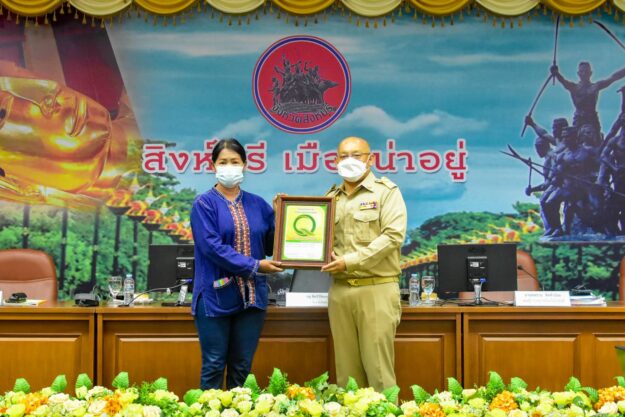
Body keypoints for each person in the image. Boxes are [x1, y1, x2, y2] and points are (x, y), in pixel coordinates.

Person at [190, 138, 283, 390]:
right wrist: (255, 266)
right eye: (223, 162)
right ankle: (208, 408)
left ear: (245, 165)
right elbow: (212, 247)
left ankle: (237, 408)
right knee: (213, 364)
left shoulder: (259, 204)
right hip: (215, 296)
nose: (229, 167)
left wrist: (282, 215)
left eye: (235, 161)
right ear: (213, 166)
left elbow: (272, 246)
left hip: (252, 298)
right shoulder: (204, 204)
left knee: (242, 367)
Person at [321, 136, 407, 392]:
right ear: (335, 161)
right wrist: (285, 214)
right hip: (340, 291)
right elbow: (315, 240)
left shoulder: (386, 192)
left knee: (379, 373)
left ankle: (386, 410)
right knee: (347, 377)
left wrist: (349, 262)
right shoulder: (330, 198)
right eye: (343, 155)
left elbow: (393, 236)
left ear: (371, 159)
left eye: (356, 155)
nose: (349, 160)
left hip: (376, 288)